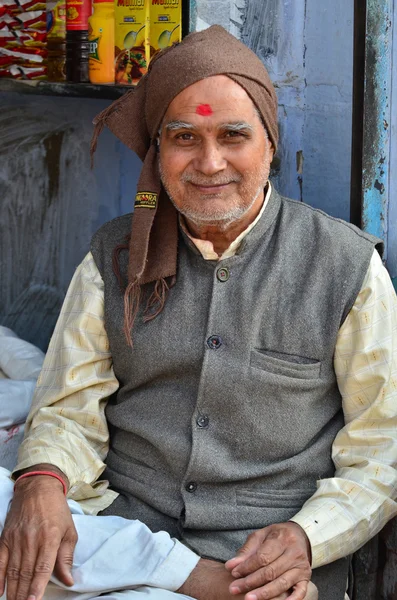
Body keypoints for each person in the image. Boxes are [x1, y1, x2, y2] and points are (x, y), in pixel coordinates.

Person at [1, 24, 396, 600]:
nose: (210, 163)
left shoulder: (344, 266)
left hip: (255, 564)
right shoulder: (113, 256)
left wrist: (308, 538)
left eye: (233, 135)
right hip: (120, 527)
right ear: (158, 150)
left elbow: (383, 447)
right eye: (184, 137)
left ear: (270, 142)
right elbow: (68, 408)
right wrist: (42, 481)